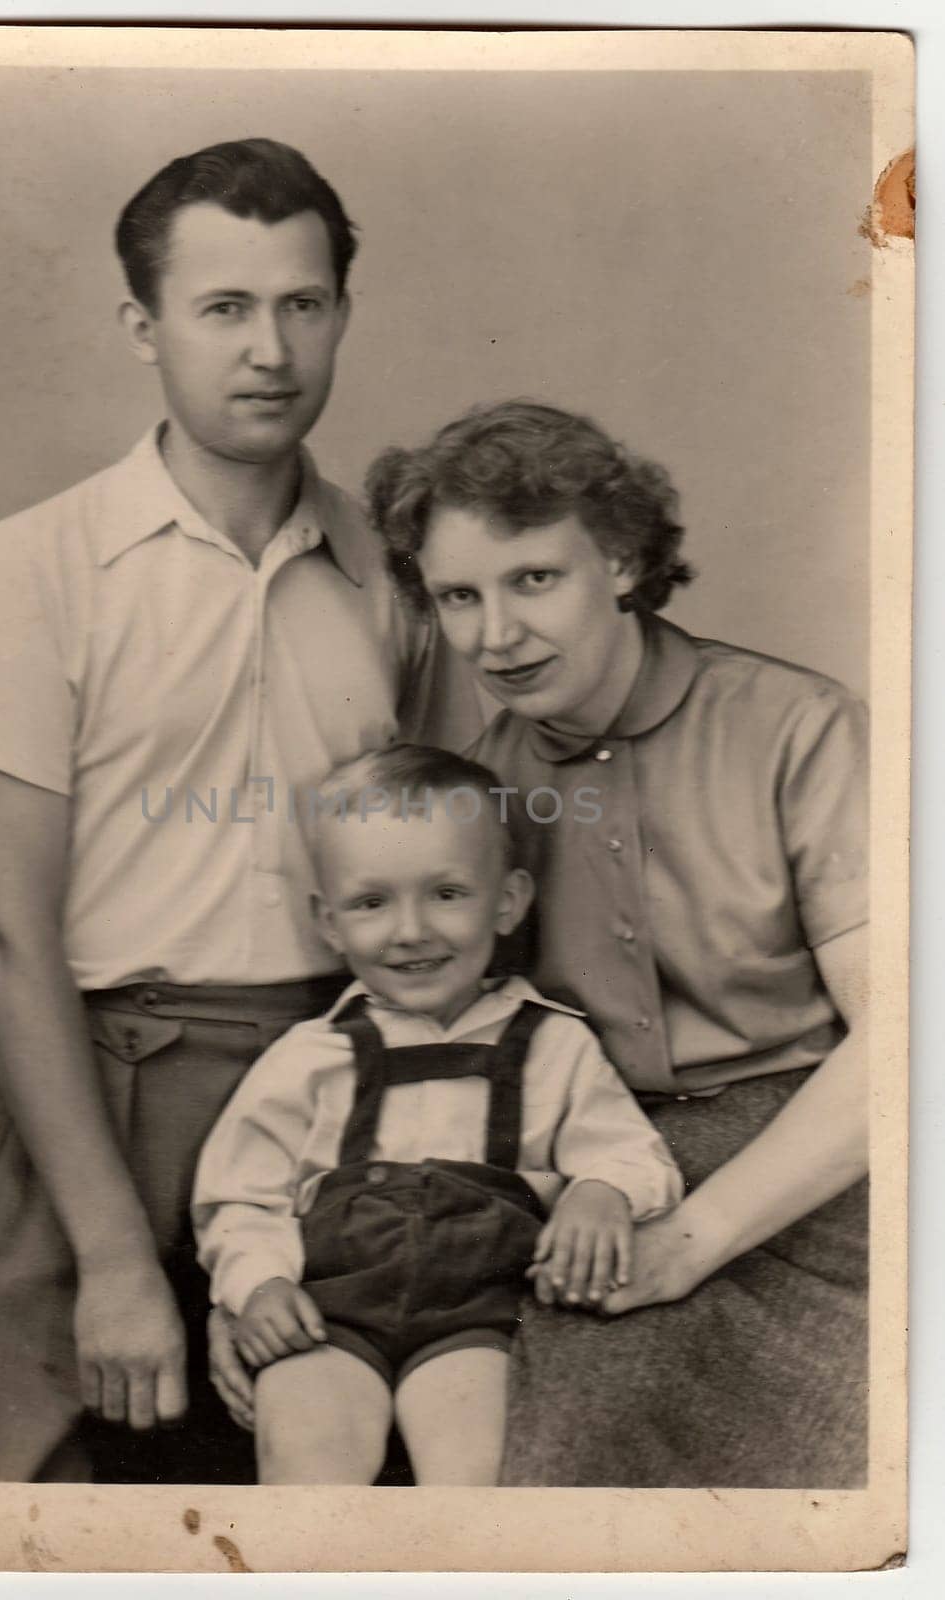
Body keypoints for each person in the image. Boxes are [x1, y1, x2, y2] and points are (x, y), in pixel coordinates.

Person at [0, 138, 475, 1484]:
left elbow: (439, 865)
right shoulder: (31, 567)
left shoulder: (394, 580)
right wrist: (109, 1256)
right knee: (48, 1508)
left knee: (334, 1521)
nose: (268, 349)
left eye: (302, 304)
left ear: (338, 311)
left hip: (337, 1101)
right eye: (222, 309)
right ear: (141, 326)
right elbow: (0, 927)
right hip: (93, 1100)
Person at [351, 400, 869, 1488]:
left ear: (624, 560)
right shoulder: (474, 793)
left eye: (534, 578)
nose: (495, 636)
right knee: (533, 1459)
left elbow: (916, 1038)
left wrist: (693, 1237)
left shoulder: (797, 725)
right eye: (459, 596)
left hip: (827, 1189)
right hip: (597, 1184)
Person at [192, 745, 683, 1484]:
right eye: (370, 902)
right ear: (328, 922)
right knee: (307, 1448)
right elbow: (238, 1197)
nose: (410, 930)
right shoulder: (311, 1056)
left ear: (508, 901)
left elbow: (636, 1156)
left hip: (479, 1324)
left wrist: (599, 1191)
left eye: (447, 893)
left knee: (475, 1465)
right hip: (329, 1319)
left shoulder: (552, 1043)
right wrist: (258, 1284)